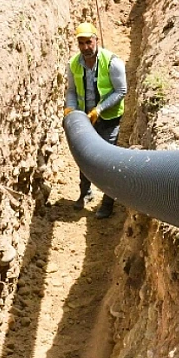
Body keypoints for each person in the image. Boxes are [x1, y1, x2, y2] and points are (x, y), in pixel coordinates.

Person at [64, 22, 127, 219]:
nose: (85, 47)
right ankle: (85, 193)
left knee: (106, 161)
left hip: (108, 118)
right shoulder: (74, 64)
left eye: (88, 42)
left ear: (96, 40)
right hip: (85, 120)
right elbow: (72, 91)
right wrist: (70, 108)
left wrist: (99, 110)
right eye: (81, 43)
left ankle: (108, 202)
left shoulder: (112, 62)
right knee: (84, 158)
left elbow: (121, 91)